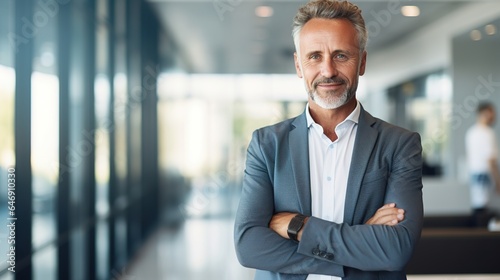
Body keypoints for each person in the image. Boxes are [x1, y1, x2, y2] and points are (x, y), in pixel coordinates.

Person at [234, 1, 423, 279]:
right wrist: (360, 242)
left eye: (341, 55)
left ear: (362, 62)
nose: (328, 70)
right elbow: (249, 246)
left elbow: (396, 249)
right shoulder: (267, 145)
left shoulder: (399, 144)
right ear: (299, 64)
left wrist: (300, 226)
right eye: (314, 56)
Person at [465, 102, 500, 226]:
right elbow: (491, 161)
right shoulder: (487, 133)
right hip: (485, 177)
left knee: (478, 208)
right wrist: (498, 181)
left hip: (474, 177)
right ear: (485, 113)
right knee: (484, 212)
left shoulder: (471, 132)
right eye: (492, 113)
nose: (494, 117)